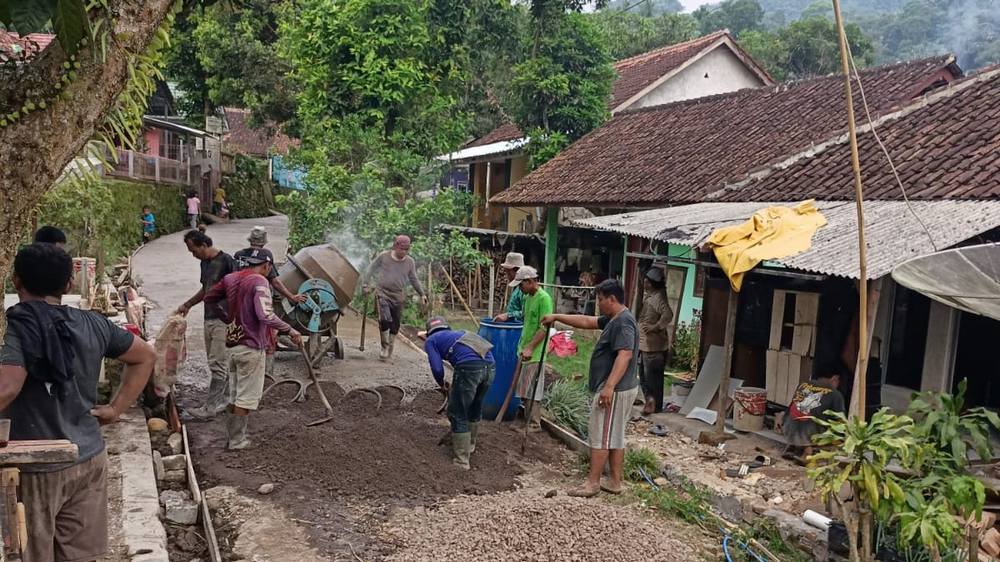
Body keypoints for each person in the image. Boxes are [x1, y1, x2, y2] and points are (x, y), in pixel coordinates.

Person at [0, 243, 155, 561]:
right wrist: (115, 409)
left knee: (30, 554)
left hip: (35, 466)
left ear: (16, 281)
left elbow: (6, 389)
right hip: (88, 458)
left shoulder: (17, 328)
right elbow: (145, 355)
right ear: (69, 284)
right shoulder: (93, 324)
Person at [542, 279, 639, 497]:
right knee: (614, 435)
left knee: (601, 436)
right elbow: (587, 321)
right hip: (620, 387)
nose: (598, 303)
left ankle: (592, 484)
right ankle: (614, 482)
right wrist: (557, 316)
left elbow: (625, 354)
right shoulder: (615, 318)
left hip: (615, 389)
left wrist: (609, 386)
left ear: (612, 299)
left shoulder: (623, 323)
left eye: (601, 299)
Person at [204, 248, 303, 449]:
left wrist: (226, 317)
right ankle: (237, 440)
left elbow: (209, 298)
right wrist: (291, 330)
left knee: (235, 394)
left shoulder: (230, 278)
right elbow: (265, 315)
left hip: (233, 346)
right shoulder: (259, 281)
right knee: (245, 397)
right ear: (267, 265)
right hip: (251, 347)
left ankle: (232, 437)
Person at [175, 231, 238, 419]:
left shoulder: (226, 261)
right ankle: (226, 400)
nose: (193, 255)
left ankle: (210, 408)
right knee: (216, 361)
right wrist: (188, 304)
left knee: (218, 362)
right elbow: (206, 289)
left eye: (194, 250)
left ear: (203, 245)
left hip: (223, 318)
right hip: (209, 317)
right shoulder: (205, 263)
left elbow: (238, 289)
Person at [421, 316, 496, 470]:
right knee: (475, 406)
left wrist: (441, 383)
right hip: (491, 365)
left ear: (429, 333)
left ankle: (462, 461)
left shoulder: (431, 341)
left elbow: (437, 368)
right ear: (447, 327)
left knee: (457, 412)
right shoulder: (460, 333)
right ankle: (470, 446)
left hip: (469, 368)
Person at [234, 226, 306, 377]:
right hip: (260, 301)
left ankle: (239, 372)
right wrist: (292, 297)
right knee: (270, 336)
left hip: (240, 303)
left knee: (242, 335)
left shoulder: (239, 255)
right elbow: (275, 282)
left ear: (250, 240)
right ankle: (267, 375)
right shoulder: (265, 256)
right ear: (264, 241)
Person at [362, 235, 427, 361]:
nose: (404, 252)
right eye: (402, 249)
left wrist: (422, 294)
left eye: (406, 250)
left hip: (398, 296)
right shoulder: (384, 256)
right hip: (382, 293)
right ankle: (384, 347)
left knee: (395, 324)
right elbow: (371, 269)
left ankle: (390, 345)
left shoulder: (410, 262)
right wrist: (365, 284)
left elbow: (414, 279)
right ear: (396, 246)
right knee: (384, 319)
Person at [511, 265, 553, 431]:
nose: (519, 288)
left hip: (535, 352)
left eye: (521, 284)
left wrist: (530, 347)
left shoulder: (544, 299)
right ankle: (527, 420)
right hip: (524, 348)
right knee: (524, 388)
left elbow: (544, 328)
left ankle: (534, 424)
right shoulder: (528, 297)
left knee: (532, 389)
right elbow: (526, 319)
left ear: (529, 281)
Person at [776, 374, 845, 463]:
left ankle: (792, 446)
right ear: (835, 378)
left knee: (799, 416)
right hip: (809, 432)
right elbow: (840, 419)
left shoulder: (803, 384)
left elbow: (791, 408)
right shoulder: (836, 394)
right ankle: (808, 452)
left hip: (788, 428)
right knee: (826, 423)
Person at [638, 267, 673, 415]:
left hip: (654, 347)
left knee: (651, 379)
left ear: (651, 283)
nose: (644, 283)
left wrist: (655, 327)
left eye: (646, 281)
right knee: (646, 377)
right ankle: (653, 404)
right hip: (647, 345)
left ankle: (653, 404)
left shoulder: (658, 298)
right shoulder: (651, 296)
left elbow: (668, 315)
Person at [493, 252, 526, 322]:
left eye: (508, 272)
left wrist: (508, 315)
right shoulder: (517, 288)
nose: (507, 275)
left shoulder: (525, 290)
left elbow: (528, 312)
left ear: (517, 270)